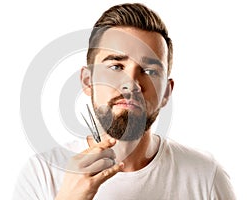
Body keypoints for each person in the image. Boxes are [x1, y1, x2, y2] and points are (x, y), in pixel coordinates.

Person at [13, 3, 236, 199]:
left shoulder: (207, 177)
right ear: (87, 81)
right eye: (115, 66)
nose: (131, 83)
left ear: (167, 92)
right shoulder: (42, 174)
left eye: (149, 71)